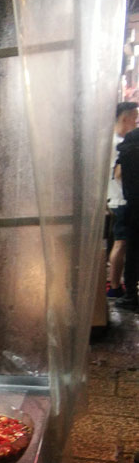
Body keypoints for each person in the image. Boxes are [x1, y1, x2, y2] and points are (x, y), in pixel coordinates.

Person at [106, 101, 138, 297]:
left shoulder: (113, 141)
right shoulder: (119, 144)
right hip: (122, 200)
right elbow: (119, 174)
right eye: (135, 119)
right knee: (121, 242)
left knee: (121, 241)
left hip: (117, 199)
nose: (136, 124)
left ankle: (116, 284)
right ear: (125, 119)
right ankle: (115, 287)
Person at [115, 124, 139, 310]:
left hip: (134, 205)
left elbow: (119, 173)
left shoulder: (130, 142)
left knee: (133, 251)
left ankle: (131, 295)